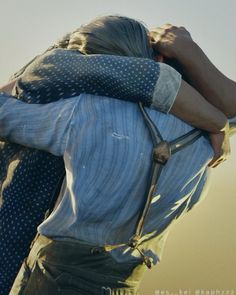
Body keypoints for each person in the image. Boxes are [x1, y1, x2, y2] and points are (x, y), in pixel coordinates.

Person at [1, 16, 234, 294]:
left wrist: (55, 63)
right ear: (158, 57)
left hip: (56, 275)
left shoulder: (83, 111)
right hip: (126, 280)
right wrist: (189, 51)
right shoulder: (204, 137)